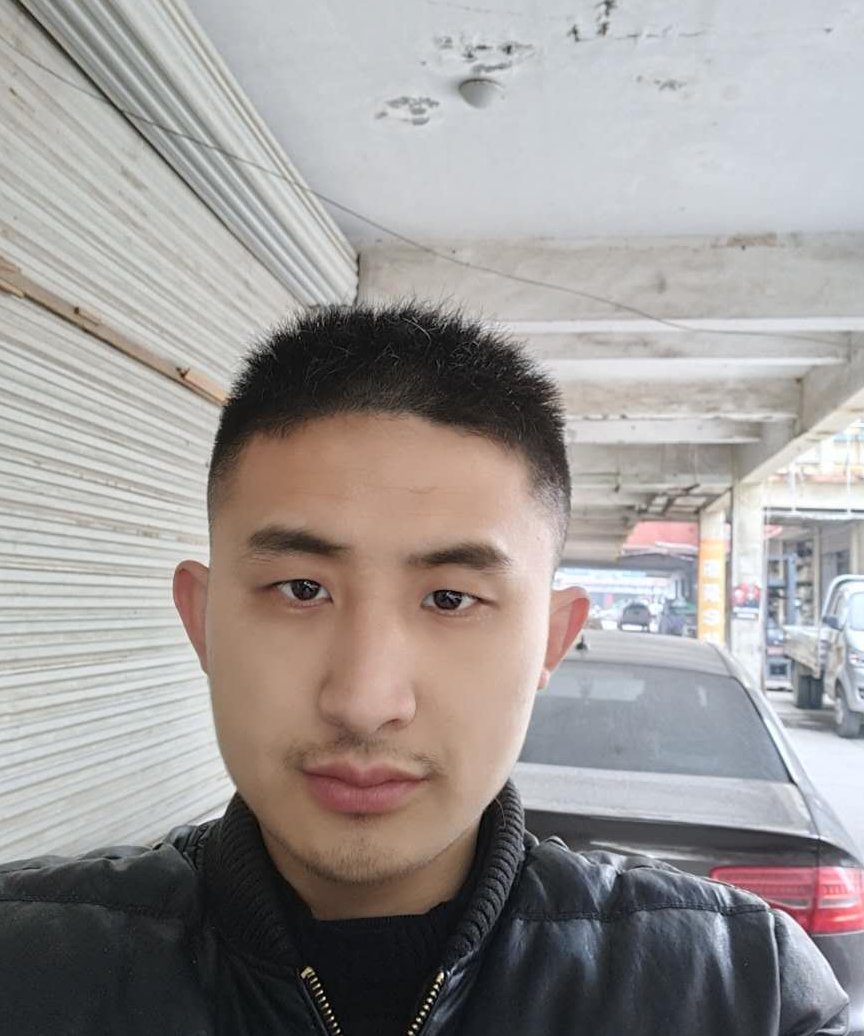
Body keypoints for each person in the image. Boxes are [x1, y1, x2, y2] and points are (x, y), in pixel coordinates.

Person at [0, 303, 848, 1035]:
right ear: (203, 622)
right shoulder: (31, 964)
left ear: (551, 642)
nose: (364, 702)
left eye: (450, 598)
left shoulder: (742, 990)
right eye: (302, 589)